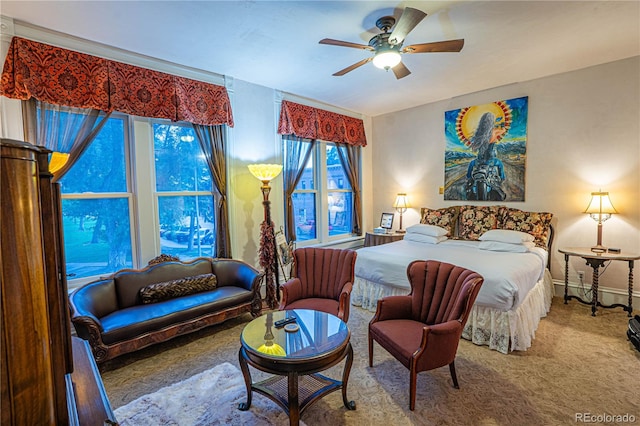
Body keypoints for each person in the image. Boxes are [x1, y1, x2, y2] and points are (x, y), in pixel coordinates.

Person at [465, 112, 507, 201]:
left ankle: (471, 182)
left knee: (471, 167)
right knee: (500, 165)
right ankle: (501, 180)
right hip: (491, 159)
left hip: (479, 160)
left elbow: (474, 147)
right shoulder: (494, 131)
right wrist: (501, 123)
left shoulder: (479, 134)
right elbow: (503, 130)